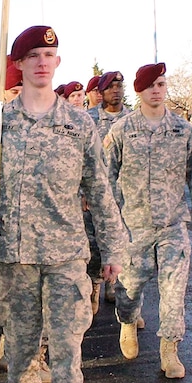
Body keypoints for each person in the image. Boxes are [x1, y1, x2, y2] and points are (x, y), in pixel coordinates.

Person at [0, 25, 126, 383]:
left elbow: (99, 192)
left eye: (50, 54)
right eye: (34, 55)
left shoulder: (78, 124)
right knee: (21, 351)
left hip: (66, 257)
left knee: (67, 353)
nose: (43, 61)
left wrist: (113, 249)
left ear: (58, 62)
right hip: (16, 260)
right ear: (18, 65)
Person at [105, 63, 192, 377]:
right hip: (133, 227)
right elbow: (106, 177)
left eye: (161, 84)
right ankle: (127, 322)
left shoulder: (183, 130)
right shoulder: (122, 131)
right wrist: (111, 222)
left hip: (172, 225)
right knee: (129, 289)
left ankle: (169, 350)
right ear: (139, 91)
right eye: (150, 85)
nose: (157, 90)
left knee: (173, 291)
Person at [87, 70, 130, 305]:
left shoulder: (133, 120)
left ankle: (116, 288)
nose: (116, 91)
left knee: (123, 243)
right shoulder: (88, 120)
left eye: (119, 86)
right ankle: (94, 283)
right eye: (110, 87)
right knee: (94, 243)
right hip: (95, 195)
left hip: (125, 196)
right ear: (101, 92)